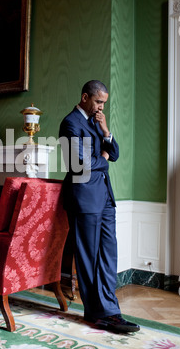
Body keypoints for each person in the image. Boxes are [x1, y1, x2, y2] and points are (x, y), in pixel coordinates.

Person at [59, 80, 140, 333]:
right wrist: (103, 156)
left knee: (107, 255)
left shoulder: (96, 121)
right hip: (83, 198)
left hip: (104, 197)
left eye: (104, 103)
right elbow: (79, 164)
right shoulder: (70, 123)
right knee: (88, 258)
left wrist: (106, 132)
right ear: (85, 97)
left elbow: (114, 153)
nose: (101, 107)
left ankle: (111, 311)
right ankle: (95, 313)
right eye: (98, 102)